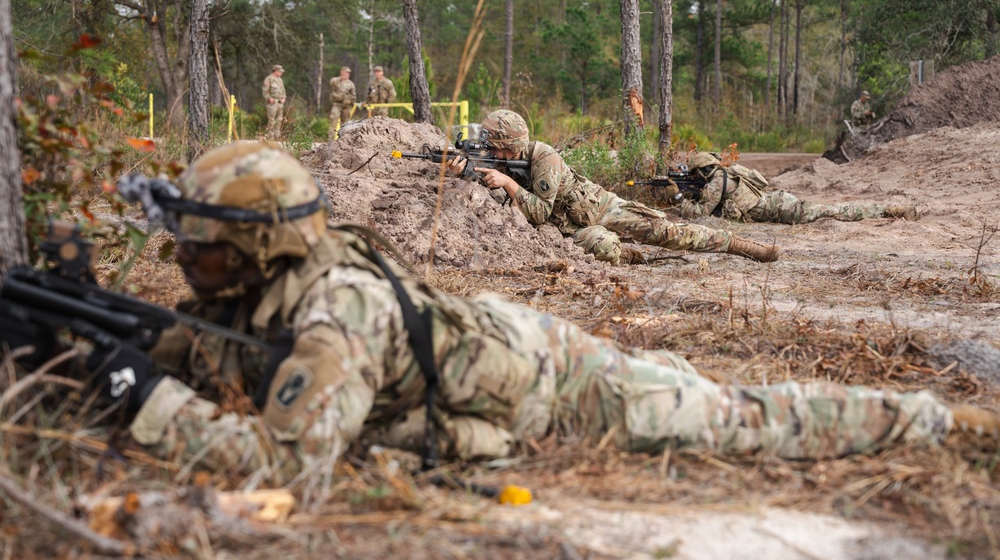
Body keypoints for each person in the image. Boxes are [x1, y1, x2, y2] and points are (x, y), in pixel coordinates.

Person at [63, 141, 1000, 486]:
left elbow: (286, 466)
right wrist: (126, 335)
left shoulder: (337, 310)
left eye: (201, 242)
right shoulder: (273, 282)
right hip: (499, 348)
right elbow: (223, 349)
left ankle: (937, 417)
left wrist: (132, 385)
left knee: (750, 417)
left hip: (563, 384)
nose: (186, 259)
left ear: (263, 242)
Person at [448, 110, 779, 265]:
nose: (491, 152)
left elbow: (537, 213)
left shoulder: (543, 157)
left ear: (511, 144)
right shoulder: (504, 159)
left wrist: (506, 183)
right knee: (606, 251)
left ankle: (739, 245)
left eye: (496, 147)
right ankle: (635, 256)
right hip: (571, 230)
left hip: (604, 209)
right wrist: (467, 172)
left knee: (669, 233)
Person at [673, 152, 917, 223]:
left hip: (781, 208)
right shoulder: (723, 175)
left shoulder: (717, 181)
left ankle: (882, 211)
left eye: (695, 173)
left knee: (831, 211)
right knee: (828, 210)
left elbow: (699, 214)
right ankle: (881, 210)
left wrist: (676, 199)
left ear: (703, 170)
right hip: (778, 202)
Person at [328, 66, 356, 140]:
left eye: (348, 73)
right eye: (346, 72)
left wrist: (349, 101)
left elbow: (353, 96)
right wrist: (340, 78)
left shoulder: (351, 84)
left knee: (345, 124)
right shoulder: (336, 80)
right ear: (342, 72)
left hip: (346, 106)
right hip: (337, 104)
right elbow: (332, 82)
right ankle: (330, 140)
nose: (347, 74)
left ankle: (343, 140)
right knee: (333, 121)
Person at [262, 65, 287, 138]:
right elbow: (265, 91)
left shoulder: (280, 80)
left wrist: (284, 98)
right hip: (272, 103)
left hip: (280, 102)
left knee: (279, 119)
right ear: (275, 71)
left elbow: (283, 90)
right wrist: (269, 98)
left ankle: (277, 135)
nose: (281, 73)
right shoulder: (268, 79)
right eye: (280, 71)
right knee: (271, 119)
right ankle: (270, 135)